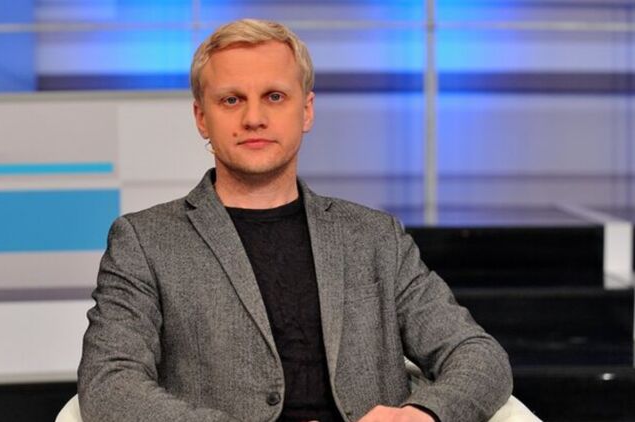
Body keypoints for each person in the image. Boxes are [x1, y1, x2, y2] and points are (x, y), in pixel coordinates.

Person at [78, 18, 512, 422]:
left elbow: (478, 355)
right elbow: (110, 384)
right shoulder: (144, 242)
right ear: (201, 118)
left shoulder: (376, 238)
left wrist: (421, 414)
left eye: (274, 97)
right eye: (231, 100)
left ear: (306, 111)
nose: (253, 118)